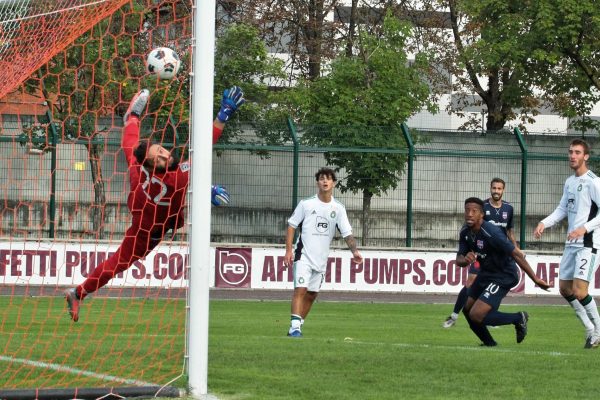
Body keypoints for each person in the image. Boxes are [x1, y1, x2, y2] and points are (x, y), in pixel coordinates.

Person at [64, 86, 245, 322]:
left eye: (162, 150)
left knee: (117, 262)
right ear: (151, 166)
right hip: (144, 232)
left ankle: (77, 293)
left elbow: (130, 139)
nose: (165, 154)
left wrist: (134, 116)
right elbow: (204, 147)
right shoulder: (178, 175)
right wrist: (223, 115)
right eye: (159, 157)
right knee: (116, 265)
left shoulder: (138, 166)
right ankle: (78, 293)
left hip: (155, 216)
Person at [533, 138, 600, 348]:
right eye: (570, 152)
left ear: (585, 156)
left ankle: (597, 331)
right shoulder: (570, 182)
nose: (572, 155)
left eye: (577, 152)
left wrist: (585, 228)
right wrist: (545, 222)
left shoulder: (594, 182)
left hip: (587, 244)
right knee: (565, 289)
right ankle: (589, 329)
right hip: (571, 245)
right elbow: (562, 209)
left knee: (580, 291)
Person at [458, 197, 551, 346]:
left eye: (474, 211)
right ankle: (489, 343)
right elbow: (459, 259)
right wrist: (465, 260)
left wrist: (536, 279)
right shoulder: (465, 232)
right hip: (486, 273)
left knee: (476, 314)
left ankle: (518, 318)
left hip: (504, 274)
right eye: (467, 210)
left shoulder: (491, 232)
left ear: (481, 214)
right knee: (467, 309)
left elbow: (515, 254)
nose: (469, 214)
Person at [284, 167, 363, 337]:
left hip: (320, 260)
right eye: (321, 178)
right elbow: (291, 225)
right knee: (301, 289)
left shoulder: (338, 208)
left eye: (328, 178)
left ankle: (297, 325)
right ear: (317, 182)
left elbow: (347, 233)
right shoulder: (306, 204)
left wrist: (354, 251)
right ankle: (295, 328)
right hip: (302, 255)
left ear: (333, 183)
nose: (325, 181)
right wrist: (288, 250)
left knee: (312, 294)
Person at [443, 177, 518, 328]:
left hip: (499, 257)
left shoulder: (508, 209)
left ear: (503, 190)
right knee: (470, 282)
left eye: (499, 188)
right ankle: (454, 315)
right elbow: (470, 228)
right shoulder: (481, 207)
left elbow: (509, 231)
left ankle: (488, 317)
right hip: (481, 254)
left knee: (492, 287)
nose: (496, 191)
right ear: (490, 188)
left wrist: (516, 249)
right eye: (494, 188)